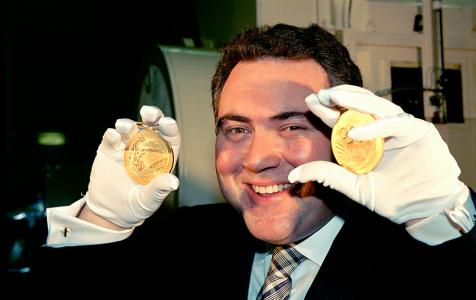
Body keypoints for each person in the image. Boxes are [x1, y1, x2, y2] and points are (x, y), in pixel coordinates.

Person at [31, 23, 475, 299]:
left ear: (349, 138)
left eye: (293, 126)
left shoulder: (419, 259)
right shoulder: (181, 245)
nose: (257, 159)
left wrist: (444, 217)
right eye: (237, 129)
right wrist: (98, 225)